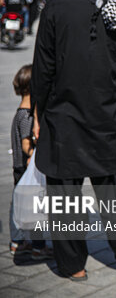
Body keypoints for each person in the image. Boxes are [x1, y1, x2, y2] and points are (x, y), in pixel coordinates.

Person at [31, 0, 116, 281]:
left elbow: (42, 70)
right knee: (114, 191)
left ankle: (72, 266)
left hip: (62, 116)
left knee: (63, 194)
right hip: (106, 115)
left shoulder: (54, 9)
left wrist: (35, 115)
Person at [9, 64, 53, 259]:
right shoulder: (27, 115)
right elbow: (26, 145)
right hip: (25, 167)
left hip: (17, 167)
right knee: (34, 208)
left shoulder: (19, 112)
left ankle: (17, 242)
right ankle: (38, 247)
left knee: (17, 204)